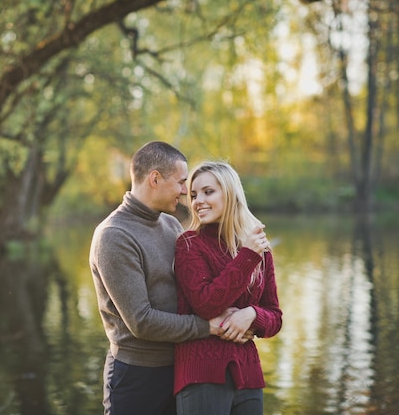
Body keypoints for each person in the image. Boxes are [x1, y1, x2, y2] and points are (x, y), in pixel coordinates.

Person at [89, 142, 239, 415]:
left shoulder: (170, 224)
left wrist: (246, 312)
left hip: (181, 369)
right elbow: (142, 322)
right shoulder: (114, 235)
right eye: (181, 182)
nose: (186, 192)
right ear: (155, 178)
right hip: (137, 377)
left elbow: (200, 288)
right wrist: (210, 327)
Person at [173, 161, 283, 415]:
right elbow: (206, 304)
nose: (198, 201)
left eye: (208, 192)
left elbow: (275, 317)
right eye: (193, 195)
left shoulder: (258, 248)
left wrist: (252, 315)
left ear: (230, 193)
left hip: (249, 375)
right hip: (201, 374)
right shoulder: (189, 244)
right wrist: (247, 257)